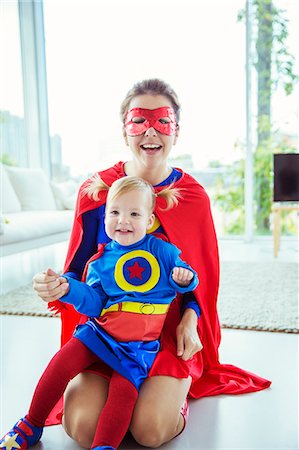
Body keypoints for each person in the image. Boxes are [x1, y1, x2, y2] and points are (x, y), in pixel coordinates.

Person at [31, 79, 271, 449]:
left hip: (162, 334)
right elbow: (77, 270)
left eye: (163, 121)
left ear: (177, 131)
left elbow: (198, 281)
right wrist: (58, 285)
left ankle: (167, 394)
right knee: (82, 428)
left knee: (150, 431)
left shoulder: (190, 197)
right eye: (139, 121)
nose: (151, 132)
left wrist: (191, 320)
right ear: (124, 129)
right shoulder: (97, 193)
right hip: (105, 329)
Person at [0, 176, 199, 450]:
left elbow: (188, 279)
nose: (123, 221)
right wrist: (69, 289)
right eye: (114, 212)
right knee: (61, 364)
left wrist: (183, 278)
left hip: (137, 349)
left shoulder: (163, 251)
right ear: (105, 217)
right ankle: (31, 423)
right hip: (99, 333)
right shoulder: (101, 260)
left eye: (134, 214)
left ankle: (105, 446)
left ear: (150, 219)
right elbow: (94, 303)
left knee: (123, 394)